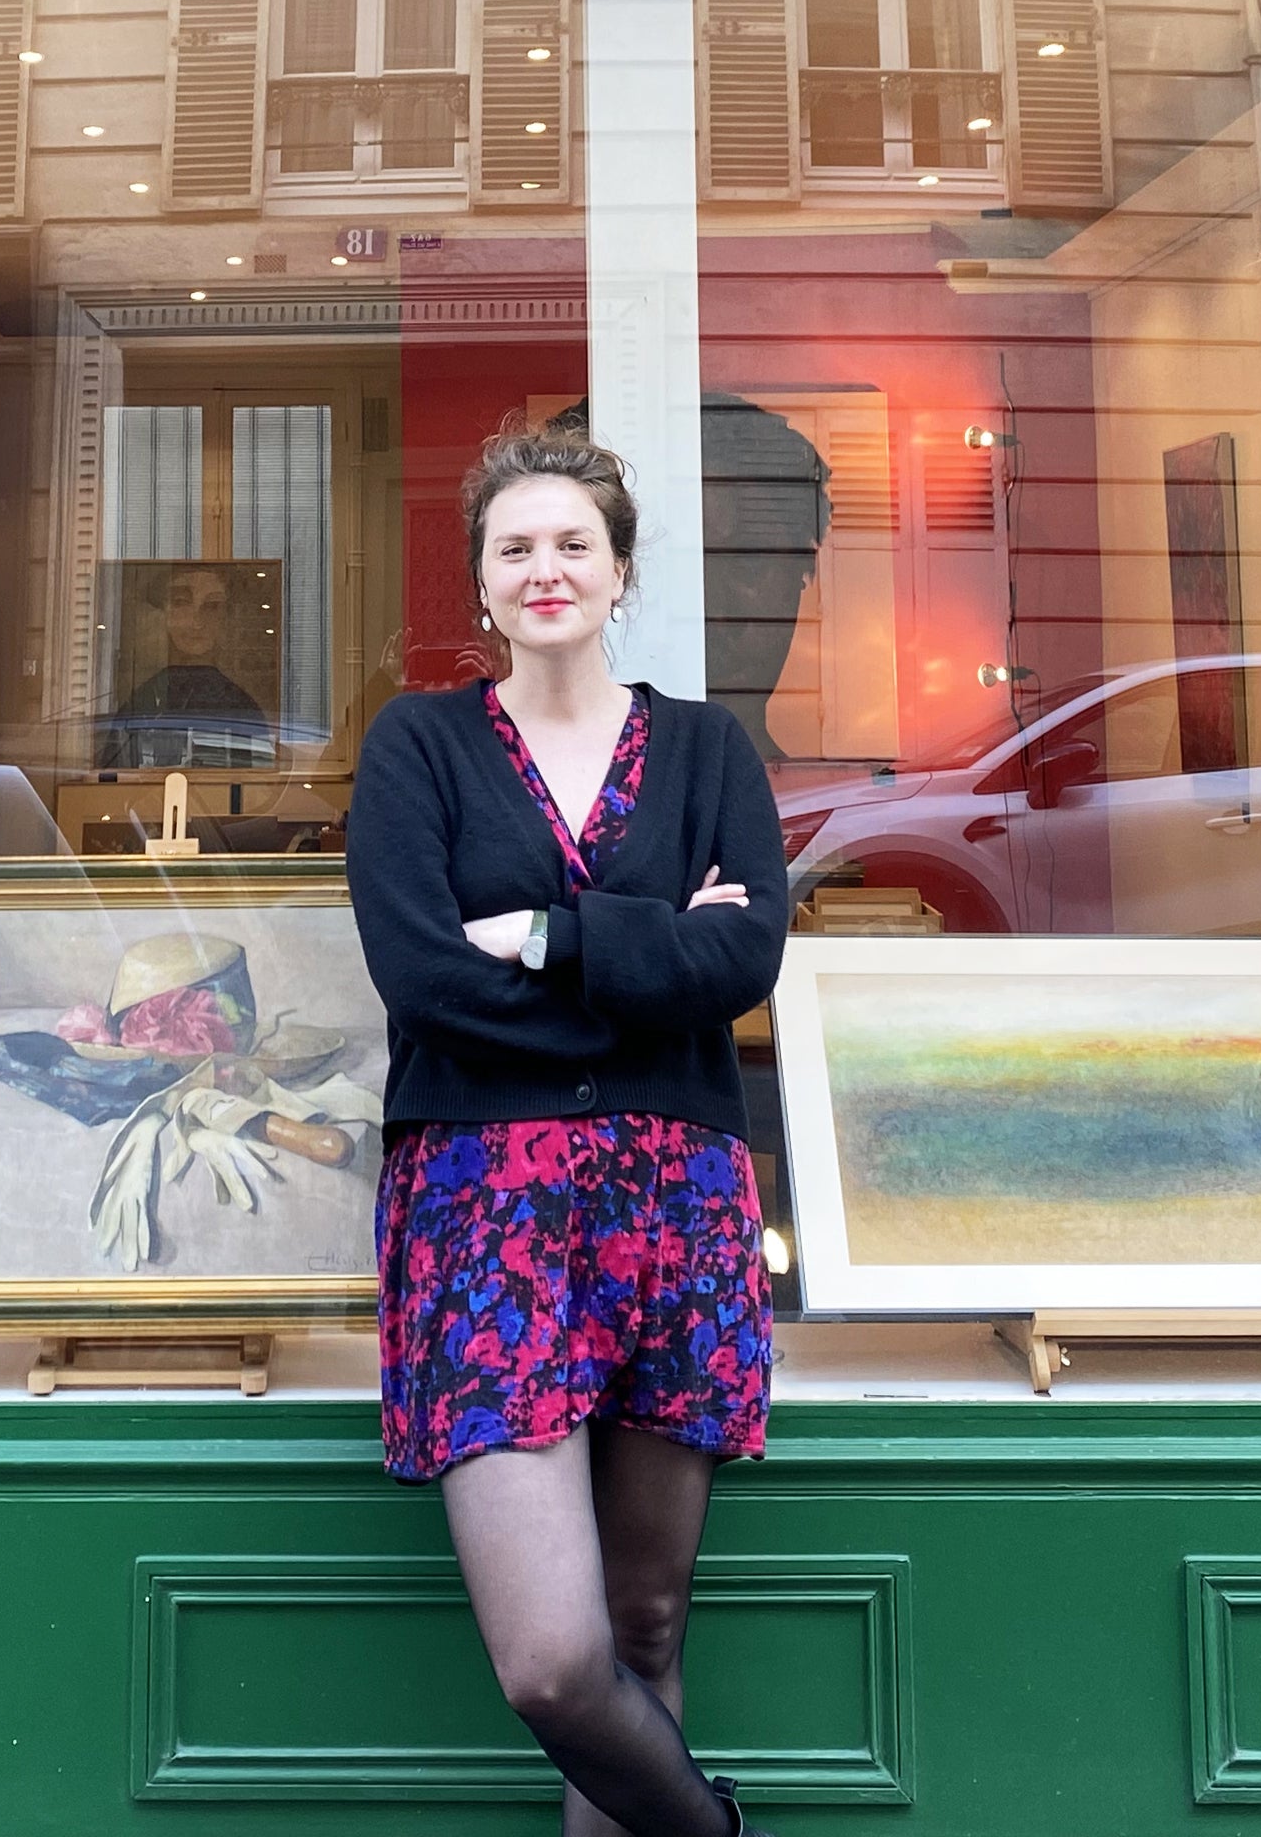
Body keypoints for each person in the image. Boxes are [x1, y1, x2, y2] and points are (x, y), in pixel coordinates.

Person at [345, 423, 794, 1837]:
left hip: (677, 1210)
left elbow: (747, 960)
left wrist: (548, 936)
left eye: (572, 544)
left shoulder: (709, 751)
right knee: (552, 1660)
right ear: (481, 582)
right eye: (515, 547)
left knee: (646, 1624)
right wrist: (652, 965)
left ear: (619, 570)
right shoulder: (418, 747)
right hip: (483, 1215)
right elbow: (424, 980)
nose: (545, 569)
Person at [104, 561, 274, 767]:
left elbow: (255, 780)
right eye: (181, 602)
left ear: (226, 618)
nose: (196, 622)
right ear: (165, 612)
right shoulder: (142, 702)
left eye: (212, 606)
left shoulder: (240, 706)